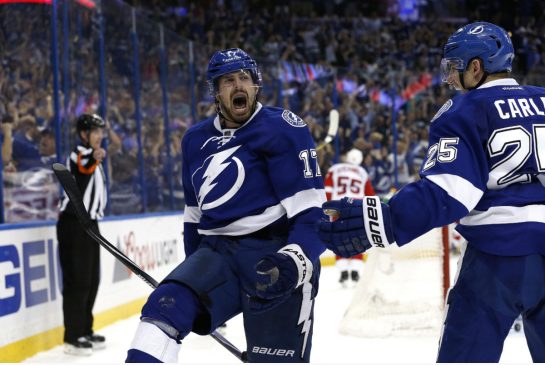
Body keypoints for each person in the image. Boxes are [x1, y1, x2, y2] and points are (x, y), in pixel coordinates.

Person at [317, 21, 545, 362]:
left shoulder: (464, 110)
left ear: (476, 67)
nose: (450, 79)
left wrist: (385, 219)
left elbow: (450, 192)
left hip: (497, 258)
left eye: (454, 68)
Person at [126, 48, 326, 363]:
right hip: (218, 255)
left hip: (274, 255)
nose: (238, 85)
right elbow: (193, 217)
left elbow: (311, 212)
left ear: (256, 85)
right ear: (216, 91)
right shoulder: (195, 139)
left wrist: (294, 260)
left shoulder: (284, 127)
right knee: (163, 309)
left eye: (244, 78)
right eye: (228, 80)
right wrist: (196, 277)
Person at [57, 113, 107, 356]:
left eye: (101, 132)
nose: (99, 136)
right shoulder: (79, 152)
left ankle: (85, 329)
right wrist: (95, 157)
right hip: (74, 224)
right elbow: (83, 165)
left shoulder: (92, 156)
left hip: (90, 224)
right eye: (95, 131)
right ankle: (72, 336)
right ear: (84, 134)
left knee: (91, 280)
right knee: (77, 281)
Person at [324, 148, 375, 285]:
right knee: (357, 238)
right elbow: (369, 195)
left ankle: (343, 271)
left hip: (337, 207)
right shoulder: (362, 172)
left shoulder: (334, 169)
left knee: (339, 239)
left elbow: (327, 190)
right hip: (356, 207)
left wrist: (326, 208)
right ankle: (356, 271)